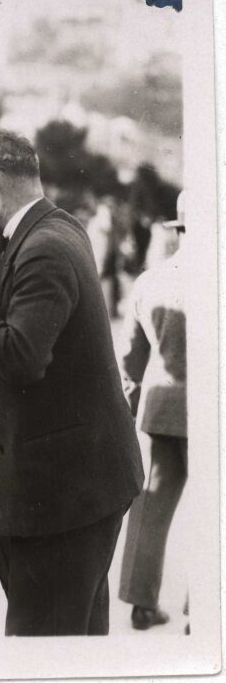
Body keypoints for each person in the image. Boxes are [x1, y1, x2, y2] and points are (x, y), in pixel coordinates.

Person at [0, 129, 143, 636]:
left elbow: (21, 355)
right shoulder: (56, 226)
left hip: (65, 495)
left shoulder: (43, 249)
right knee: (77, 636)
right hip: (82, 481)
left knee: (40, 647)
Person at [117, 193, 187, 631]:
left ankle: (141, 602)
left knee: (153, 501)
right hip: (210, 411)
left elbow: (130, 359)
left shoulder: (152, 280)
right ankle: (202, 610)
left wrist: (133, 402)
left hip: (161, 406)